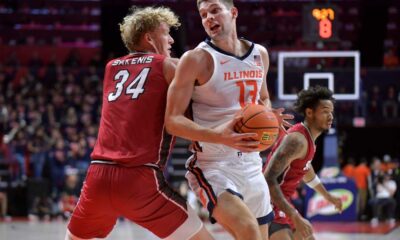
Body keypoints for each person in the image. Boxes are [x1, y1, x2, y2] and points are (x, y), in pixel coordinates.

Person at [65, 6, 214, 240]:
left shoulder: (111, 67)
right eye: (166, 33)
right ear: (149, 37)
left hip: (98, 175)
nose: (172, 39)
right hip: (140, 178)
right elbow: (206, 104)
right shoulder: (170, 65)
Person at [165, 0, 292, 239]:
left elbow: (263, 98)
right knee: (249, 232)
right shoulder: (196, 59)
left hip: (252, 164)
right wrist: (219, 136)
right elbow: (172, 121)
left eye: (214, 10)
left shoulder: (259, 54)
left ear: (233, 12)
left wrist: (267, 113)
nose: (209, 18)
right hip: (214, 165)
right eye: (203, 15)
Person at [264, 86, 343, 240]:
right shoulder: (297, 140)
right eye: (325, 111)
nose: (330, 116)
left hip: (281, 203)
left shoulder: (309, 139)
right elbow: (268, 179)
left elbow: (305, 169)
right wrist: (293, 214)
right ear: (309, 112)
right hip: (268, 202)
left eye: (331, 112)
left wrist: (328, 197)